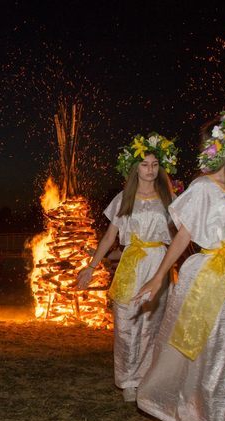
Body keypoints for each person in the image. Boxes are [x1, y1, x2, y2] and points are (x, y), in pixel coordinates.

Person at [133, 102, 225, 421]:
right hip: (208, 279)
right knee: (208, 355)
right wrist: (158, 277)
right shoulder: (204, 187)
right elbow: (184, 235)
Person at [77, 132, 178, 402]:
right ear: (135, 168)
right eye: (144, 164)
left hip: (158, 263)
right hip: (132, 263)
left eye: (155, 164)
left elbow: (182, 235)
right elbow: (110, 236)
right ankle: (127, 380)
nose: (150, 170)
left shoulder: (167, 198)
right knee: (126, 321)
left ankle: (144, 378)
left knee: (152, 325)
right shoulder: (124, 198)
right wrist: (91, 267)